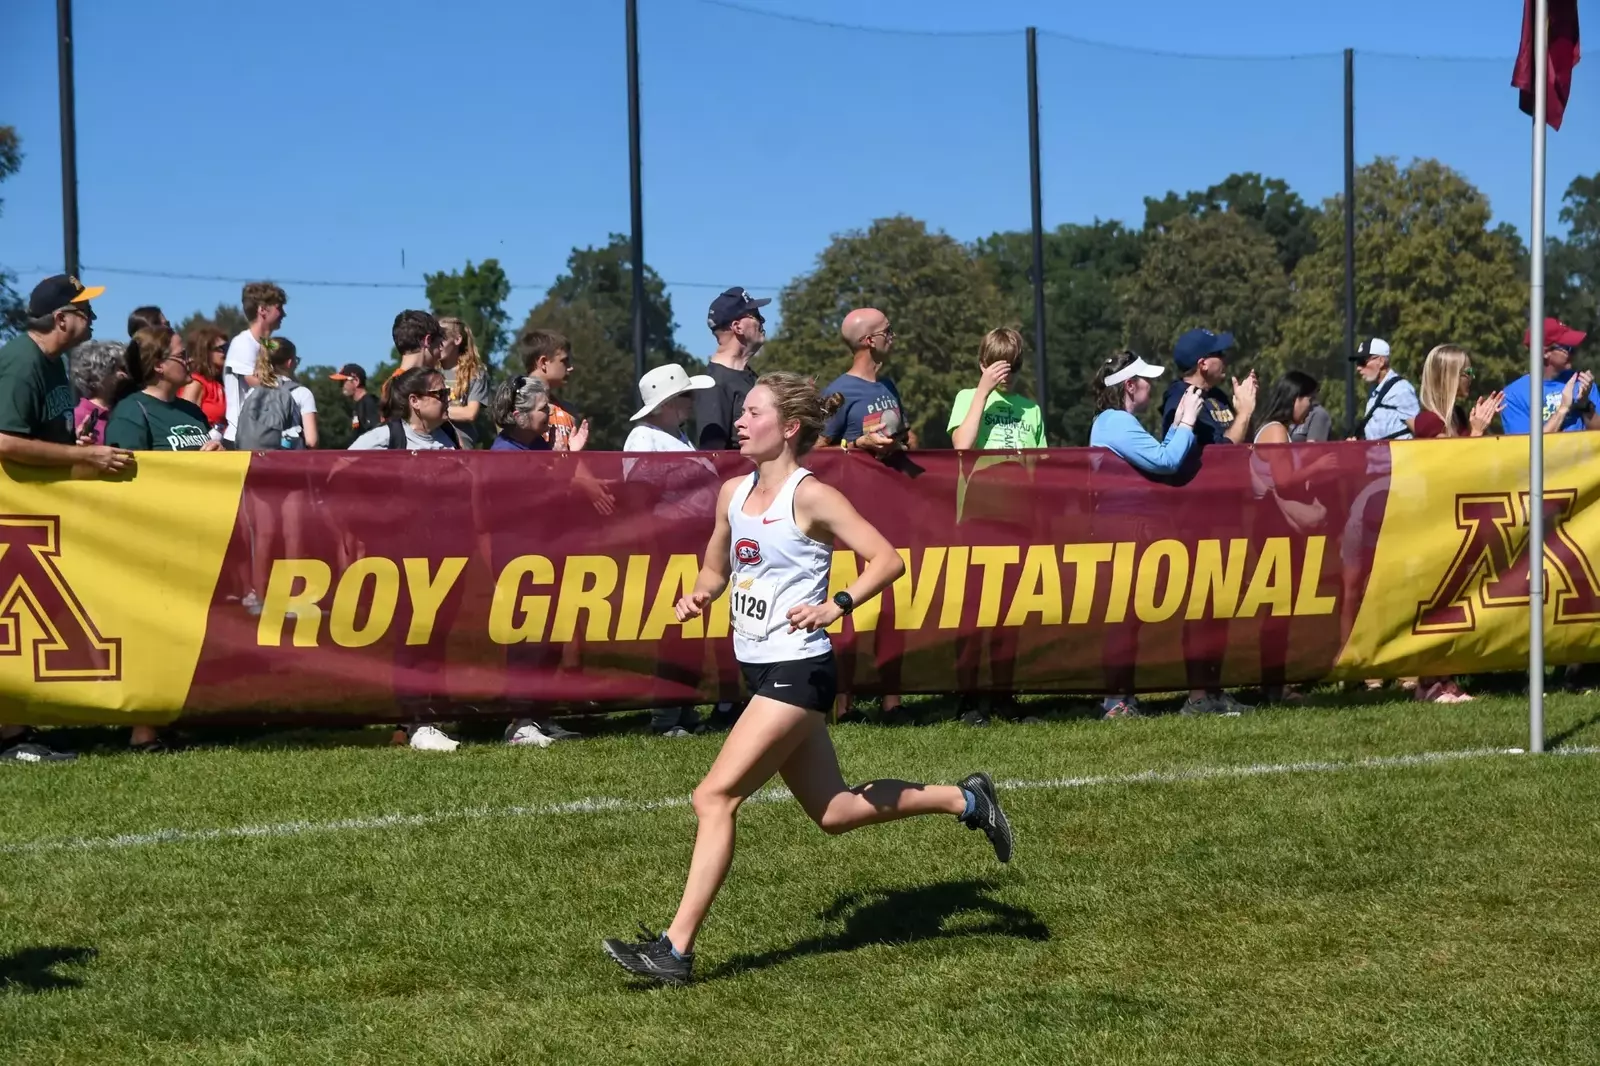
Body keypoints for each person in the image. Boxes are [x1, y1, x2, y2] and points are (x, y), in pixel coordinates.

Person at [601, 371, 1013, 986]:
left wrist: (836, 604)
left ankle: (674, 951)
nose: (739, 421)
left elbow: (887, 559)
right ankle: (968, 799)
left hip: (800, 668)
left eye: (754, 413)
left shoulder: (811, 495)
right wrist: (699, 596)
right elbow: (715, 568)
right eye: (742, 413)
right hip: (760, 668)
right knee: (836, 811)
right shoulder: (732, 493)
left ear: (788, 427)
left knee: (713, 797)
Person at [0, 277, 130, 763]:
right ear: (61, 319)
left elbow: (37, 435)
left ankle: (20, 725)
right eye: (84, 311)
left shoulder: (53, 363)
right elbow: (4, 441)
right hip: (15, 516)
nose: (91, 320)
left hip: (36, 512)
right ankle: (11, 736)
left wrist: (69, 448)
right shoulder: (21, 361)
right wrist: (87, 457)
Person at [1090, 352, 1203, 718]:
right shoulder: (1116, 422)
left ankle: (1121, 697)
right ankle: (1116, 700)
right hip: (1121, 530)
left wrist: (1179, 428)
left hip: (1126, 529)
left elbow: (1158, 457)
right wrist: (1185, 423)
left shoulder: (1115, 421)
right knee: (1124, 618)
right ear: (1129, 385)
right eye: (1145, 379)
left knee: (1129, 617)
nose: (1151, 386)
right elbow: (1166, 462)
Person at [624, 363, 719, 737]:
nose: (691, 403)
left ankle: (686, 710)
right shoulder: (642, 437)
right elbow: (637, 490)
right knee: (671, 631)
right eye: (684, 396)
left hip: (692, 545)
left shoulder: (678, 435)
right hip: (665, 547)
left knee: (690, 627)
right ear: (665, 404)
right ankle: (665, 718)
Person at [106, 326, 222, 453]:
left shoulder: (193, 411)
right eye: (182, 355)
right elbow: (128, 469)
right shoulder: (129, 413)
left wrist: (219, 453)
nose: (190, 360)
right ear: (158, 366)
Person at [820, 308, 908, 455]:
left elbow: (906, 436)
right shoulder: (837, 393)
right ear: (870, 340)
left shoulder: (888, 385)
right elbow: (814, 452)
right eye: (888, 331)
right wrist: (857, 445)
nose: (893, 336)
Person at [693, 287, 768, 450]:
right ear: (737, 327)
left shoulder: (748, 376)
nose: (763, 321)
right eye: (756, 316)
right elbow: (713, 459)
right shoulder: (714, 386)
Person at [949, 327, 1047, 450]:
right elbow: (962, 447)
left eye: (1014, 367)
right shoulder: (967, 397)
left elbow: (1042, 462)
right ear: (984, 366)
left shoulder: (1033, 410)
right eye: (999, 369)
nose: (1007, 376)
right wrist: (983, 393)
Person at [1160, 328, 1258, 449]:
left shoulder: (1217, 395)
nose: (1225, 358)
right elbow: (1220, 453)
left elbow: (1245, 443)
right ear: (1203, 365)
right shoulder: (1181, 401)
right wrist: (1244, 413)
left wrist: (1246, 407)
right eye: (1219, 354)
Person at [1500, 318, 1598, 434]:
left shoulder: (1583, 383)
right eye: (1568, 348)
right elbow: (1526, 449)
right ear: (1545, 352)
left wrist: (1585, 405)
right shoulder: (1513, 396)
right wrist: (1563, 409)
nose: (1574, 353)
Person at [222, 281, 286, 448]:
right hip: (241, 436)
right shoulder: (243, 343)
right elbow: (257, 383)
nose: (284, 314)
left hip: (265, 433)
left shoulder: (269, 345)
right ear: (262, 310)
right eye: (279, 308)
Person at [350, 366, 459, 452]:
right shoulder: (385, 438)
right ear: (415, 401)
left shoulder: (450, 433)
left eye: (447, 393)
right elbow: (340, 465)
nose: (449, 399)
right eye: (441, 394)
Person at [514, 328, 590, 451]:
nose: (571, 368)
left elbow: (576, 467)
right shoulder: (515, 407)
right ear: (543, 362)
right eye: (564, 361)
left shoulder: (569, 412)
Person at [1413, 344, 1504, 440]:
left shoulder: (1458, 415)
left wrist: (1483, 421)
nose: (1472, 377)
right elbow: (1456, 454)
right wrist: (1477, 431)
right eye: (1468, 372)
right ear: (1447, 377)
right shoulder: (1429, 421)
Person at [1352, 338, 1419, 441]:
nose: (1358, 368)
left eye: (1362, 362)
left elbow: (1419, 431)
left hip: (1398, 456)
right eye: (1357, 363)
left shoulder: (1401, 390)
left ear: (1381, 361)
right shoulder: (1374, 390)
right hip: (1378, 456)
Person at [439, 317, 489, 447]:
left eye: (442, 339)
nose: (437, 344)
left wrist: (434, 412)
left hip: (462, 446)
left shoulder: (475, 373)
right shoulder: (429, 372)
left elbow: (470, 413)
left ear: (457, 340)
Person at [70, 339, 128, 445]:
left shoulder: (126, 410)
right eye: (120, 369)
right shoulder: (77, 417)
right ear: (99, 374)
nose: (125, 375)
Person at [1248, 371, 1322, 444]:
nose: (1312, 407)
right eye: (1310, 400)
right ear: (1294, 397)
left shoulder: (1277, 429)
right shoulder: (1276, 431)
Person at [179, 323, 228, 430]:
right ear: (206, 352)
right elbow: (185, 422)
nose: (227, 352)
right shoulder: (196, 383)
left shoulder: (220, 382)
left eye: (228, 347)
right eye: (222, 348)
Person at [488, 374, 553, 451]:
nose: (550, 412)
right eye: (544, 408)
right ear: (520, 418)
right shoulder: (504, 453)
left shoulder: (536, 442)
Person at [330, 364, 381, 435]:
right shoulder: (359, 405)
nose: (340, 386)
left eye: (343, 381)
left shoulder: (369, 403)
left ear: (356, 381)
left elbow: (377, 435)